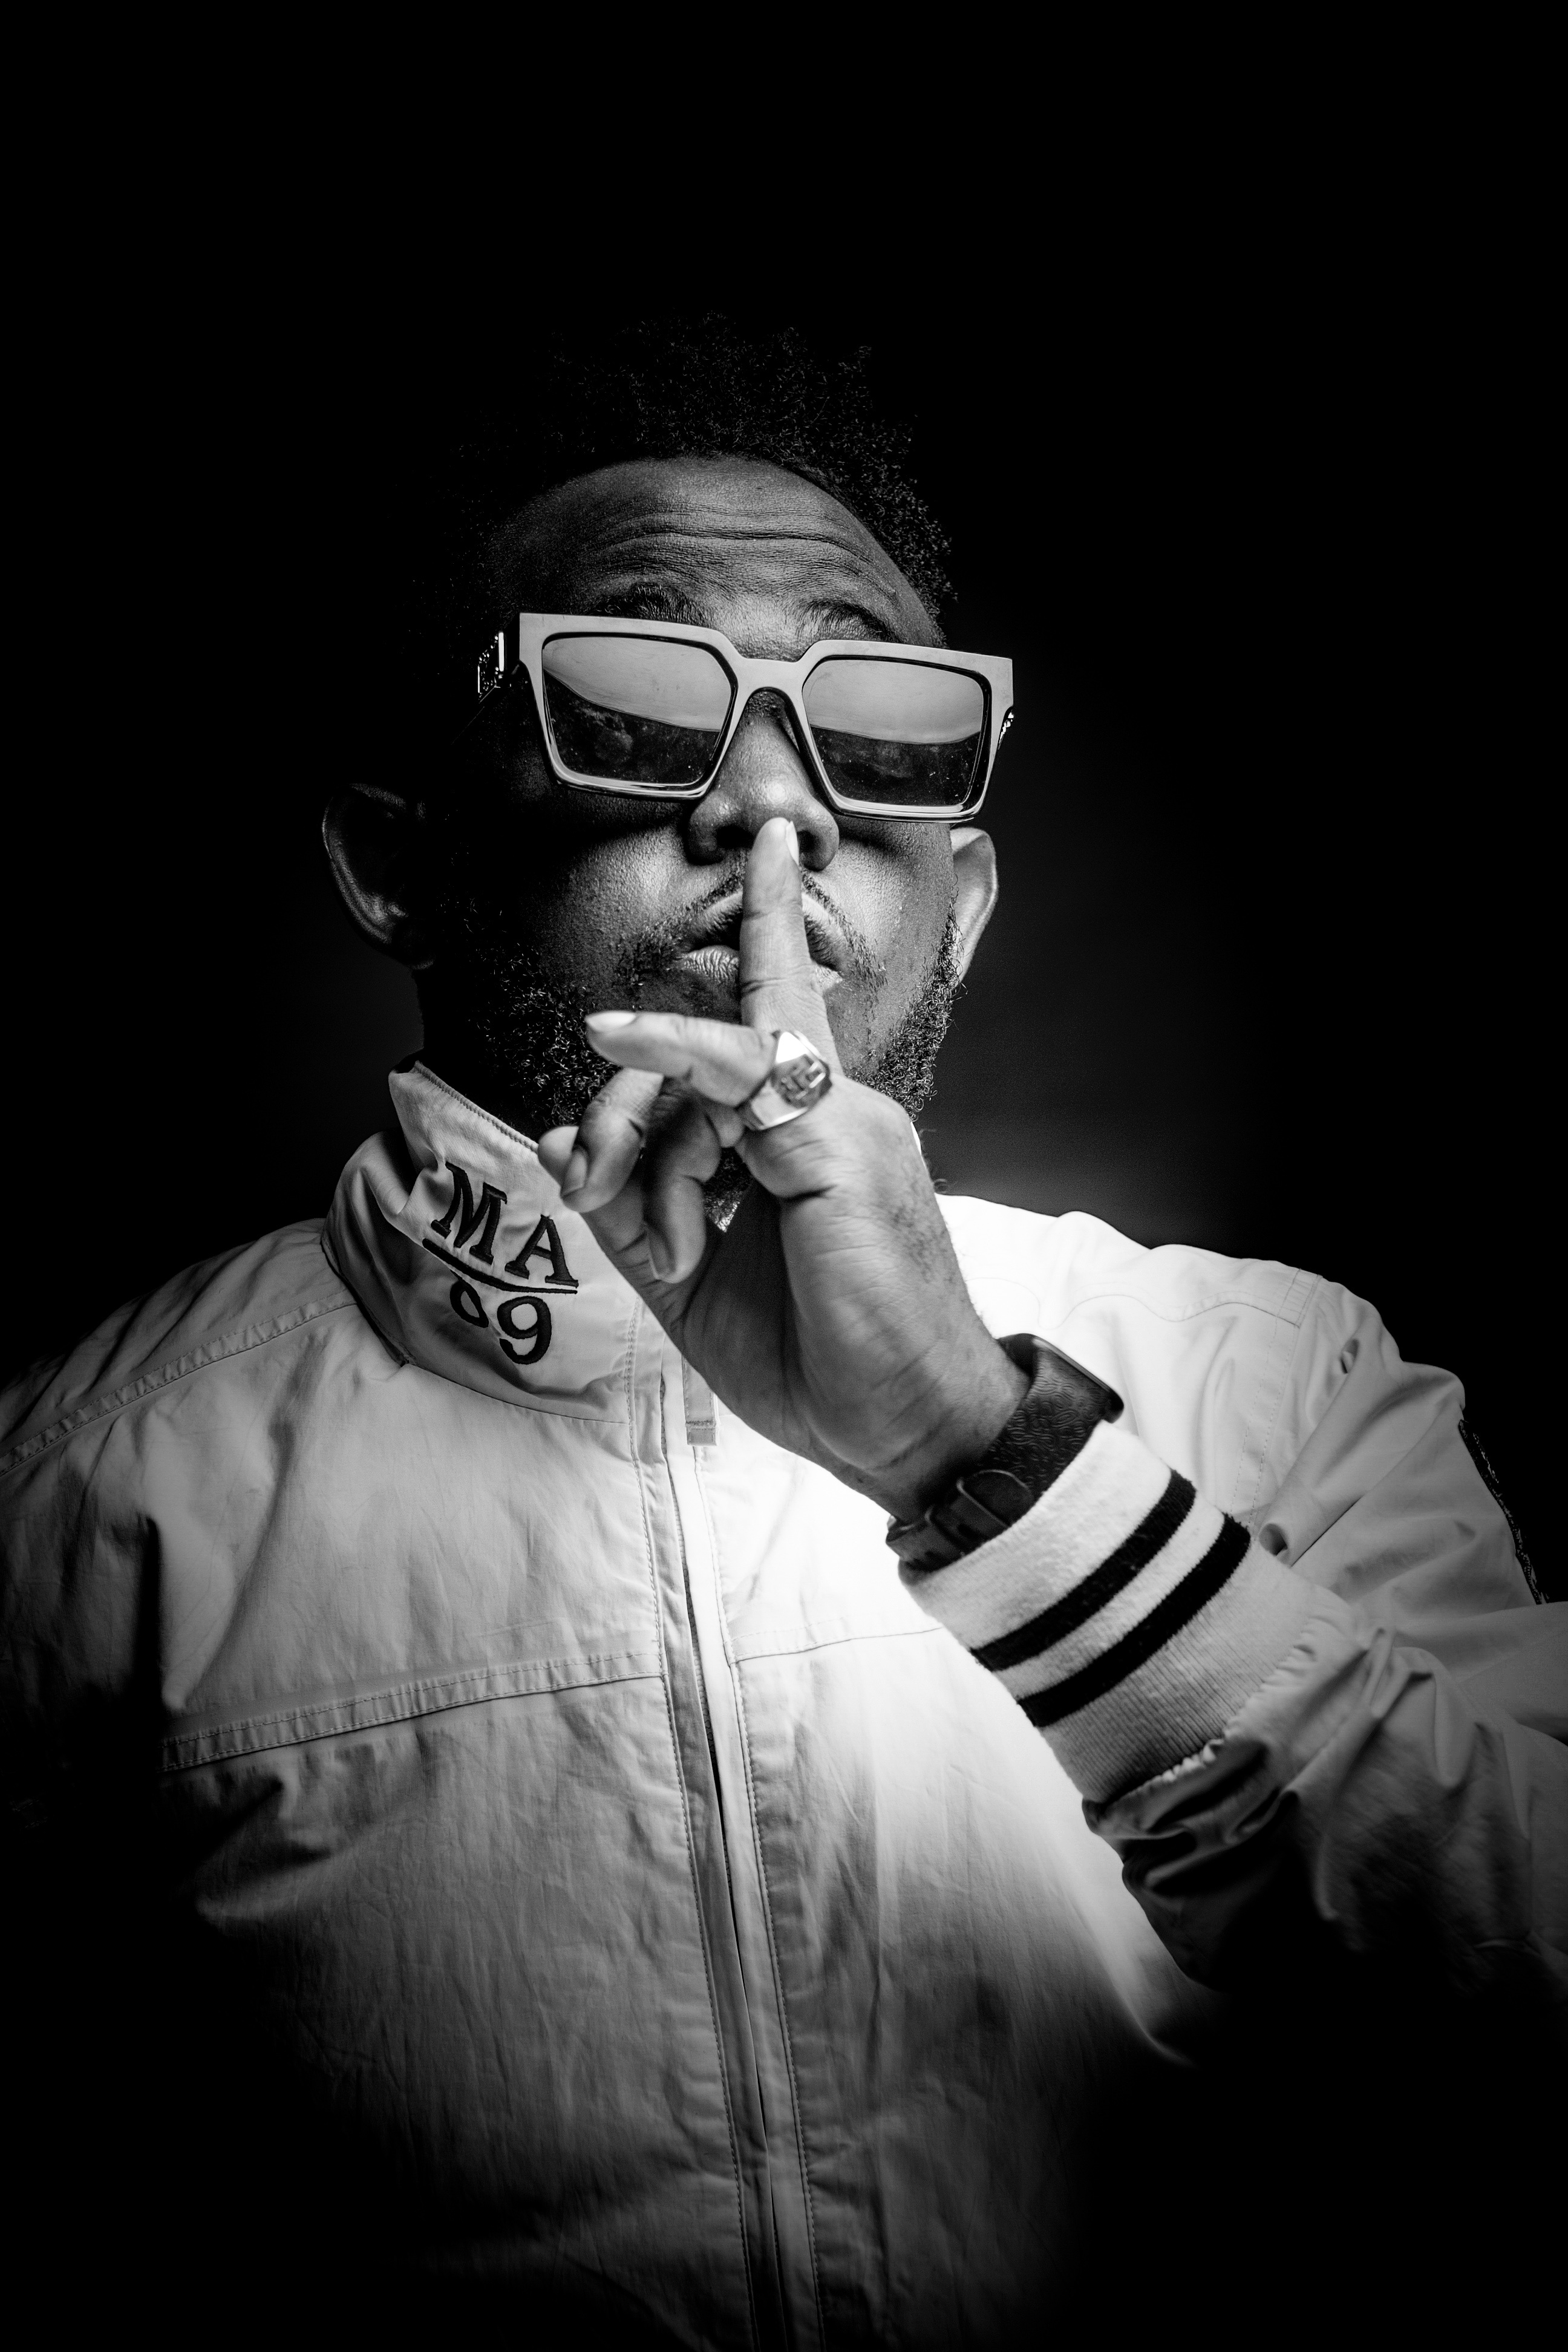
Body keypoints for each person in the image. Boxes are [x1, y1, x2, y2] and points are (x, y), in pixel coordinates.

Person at [4, 330, 1563, 2344]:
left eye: (880, 727)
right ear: (400, 862)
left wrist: (982, 1454)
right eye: (634, 702)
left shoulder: (1277, 1379)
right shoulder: (85, 1492)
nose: (773, 804)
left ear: (961, 904)